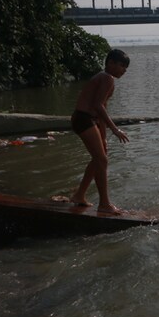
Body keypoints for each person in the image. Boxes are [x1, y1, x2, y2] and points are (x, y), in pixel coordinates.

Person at [69, 49, 130, 214]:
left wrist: (103, 137)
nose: (124, 70)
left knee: (100, 158)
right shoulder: (107, 78)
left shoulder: (104, 78)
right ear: (110, 63)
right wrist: (114, 129)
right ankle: (104, 204)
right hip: (84, 119)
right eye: (122, 65)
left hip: (87, 119)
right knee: (101, 160)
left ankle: (79, 195)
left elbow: (101, 108)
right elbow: (97, 105)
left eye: (126, 67)